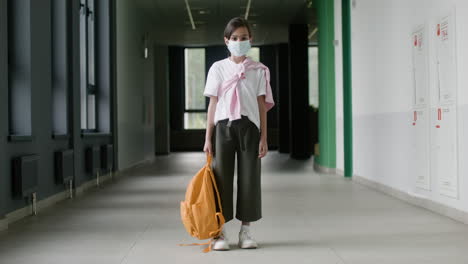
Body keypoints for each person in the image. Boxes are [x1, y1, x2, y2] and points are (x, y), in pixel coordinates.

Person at [203, 17, 275, 250]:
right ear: (226, 41)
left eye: (244, 38)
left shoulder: (259, 71)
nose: (239, 41)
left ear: (250, 40)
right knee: (221, 179)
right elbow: (213, 104)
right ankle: (220, 232)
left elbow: (262, 106)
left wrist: (264, 137)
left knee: (250, 178)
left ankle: (246, 231)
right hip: (223, 127)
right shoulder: (218, 68)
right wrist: (208, 138)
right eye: (234, 38)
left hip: (250, 128)